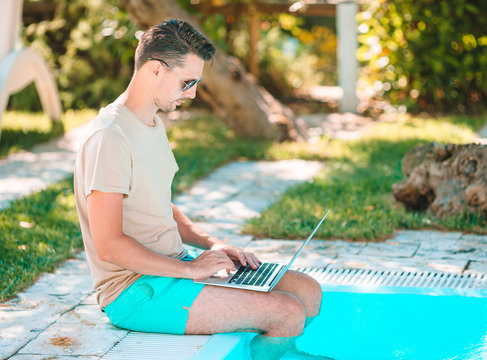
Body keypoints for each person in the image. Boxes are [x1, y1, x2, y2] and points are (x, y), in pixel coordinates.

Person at [74, 19, 322, 358]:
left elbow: (161, 208)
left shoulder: (151, 123)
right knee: (287, 311)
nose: (192, 93)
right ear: (156, 70)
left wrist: (216, 246)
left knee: (307, 292)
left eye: (197, 82)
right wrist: (189, 270)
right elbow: (109, 246)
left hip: (173, 266)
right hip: (133, 291)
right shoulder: (109, 137)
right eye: (187, 82)